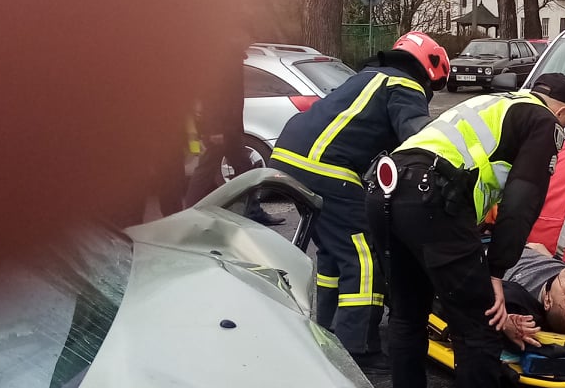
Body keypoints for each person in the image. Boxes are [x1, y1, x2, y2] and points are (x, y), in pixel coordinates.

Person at [374, 72, 565, 388]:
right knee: (480, 323)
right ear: (564, 112)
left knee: (407, 312)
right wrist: (497, 271)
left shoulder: (494, 105)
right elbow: (523, 199)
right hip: (430, 195)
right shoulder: (544, 123)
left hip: (386, 187)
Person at [271, 32, 448, 368]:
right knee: (364, 254)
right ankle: (358, 348)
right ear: (429, 68)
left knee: (334, 251)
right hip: (325, 166)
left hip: (289, 157)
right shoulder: (405, 85)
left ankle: (325, 327)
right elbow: (419, 137)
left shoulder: (369, 77)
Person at [184, 56, 283, 226]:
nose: (249, 41)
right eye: (247, 35)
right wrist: (215, 129)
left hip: (231, 129)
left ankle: (252, 210)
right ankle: (188, 213)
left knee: (244, 168)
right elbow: (213, 96)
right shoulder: (222, 59)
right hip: (223, 129)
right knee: (206, 171)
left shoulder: (232, 58)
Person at [498, 243, 565, 346]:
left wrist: (504, 321)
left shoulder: (518, 298)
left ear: (548, 301)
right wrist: (551, 256)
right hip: (529, 248)